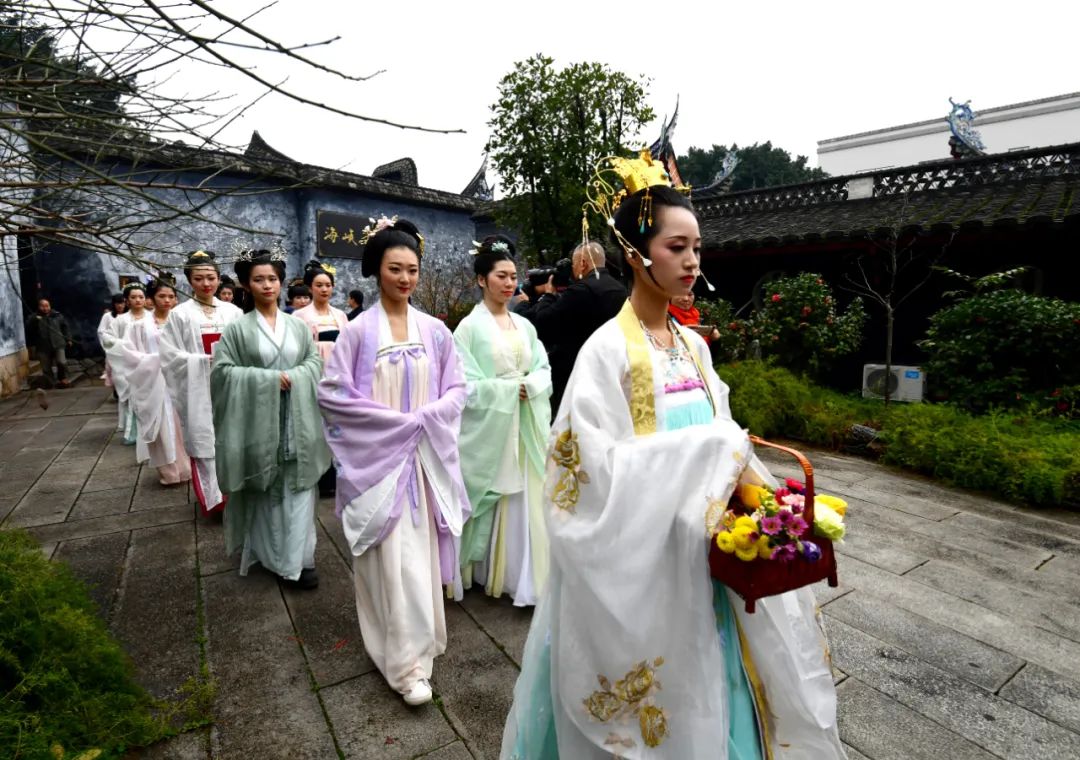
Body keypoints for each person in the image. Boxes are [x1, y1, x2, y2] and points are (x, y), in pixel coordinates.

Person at [500, 155, 845, 759]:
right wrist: (708, 452)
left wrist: (763, 496)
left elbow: (727, 438)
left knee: (720, 682)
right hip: (645, 567)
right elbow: (581, 480)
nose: (691, 261)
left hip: (705, 561)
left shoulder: (693, 347)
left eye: (697, 248)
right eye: (676, 247)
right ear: (637, 254)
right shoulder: (605, 353)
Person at [317, 216, 470, 707]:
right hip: (378, 467)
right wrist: (396, 426)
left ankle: (419, 648)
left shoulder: (436, 331)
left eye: (412, 270)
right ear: (376, 271)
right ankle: (403, 666)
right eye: (394, 269)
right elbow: (335, 396)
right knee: (389, 561)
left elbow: (457, 388)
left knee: (417, 559)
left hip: (423, 463)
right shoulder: (357, 333)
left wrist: (425, 418)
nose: (405, 279)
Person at [210, 248, 330, 589]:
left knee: (300, 490)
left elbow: (313, 362)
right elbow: (222, 373)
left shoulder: (297, 324)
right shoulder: (237, 329)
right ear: (247, 284)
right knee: (268, 493)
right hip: (260, 426)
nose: (267, 285)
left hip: (298, 422)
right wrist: (266, 380)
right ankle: (274, 557)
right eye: (259, 279)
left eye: (273, 279)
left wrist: (298, 375)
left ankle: (299, 559)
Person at [454, 235, 552, 607]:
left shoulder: (525, 326)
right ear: (482, 280)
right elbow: (463, 384)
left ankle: (524, 573)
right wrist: (510, 390)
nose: (509, 283)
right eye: (501, 276)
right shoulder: (468, 328)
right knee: (496, 495)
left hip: (525, 425)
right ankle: (484, 569)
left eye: (513, 276)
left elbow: (543, 367)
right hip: (495, 428)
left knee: (527, 496)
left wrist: (530, 386)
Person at [159, 251, 244, 517]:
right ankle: (215, 500)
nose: (206, 284)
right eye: (199, 278)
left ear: (219, 279)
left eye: (211, 277)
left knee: (235, 437)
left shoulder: (233, 312)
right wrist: (201, 360)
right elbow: (169, 354)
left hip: (231, 384)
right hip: (199, 387)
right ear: (189, 280)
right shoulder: (180, 314)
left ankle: (239, 494)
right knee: (205, 438)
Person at [516, 241, 626, 413]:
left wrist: (547, 296)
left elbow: (543, 326)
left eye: (574, 264)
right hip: (612, 371)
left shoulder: (582, 291)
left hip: (577, 374)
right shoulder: (620, 289)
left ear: (582, 263)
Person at [107, 276, 191, 486]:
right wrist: (158, 360)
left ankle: (187, 468)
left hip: (180, 381)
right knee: (162, 427)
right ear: (151, 299)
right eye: (162, 296)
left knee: (184, 426)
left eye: (171, 296)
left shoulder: (181, 322)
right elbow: (129, 354)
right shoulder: (139, 326)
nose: (167, 300)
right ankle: (169, 472)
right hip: (155, 383)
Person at [292, 259, 349, 497]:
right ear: (310, 288)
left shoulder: (341, 315)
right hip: (313, 375)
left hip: (337, 375)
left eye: (328, 284)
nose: (324, 289)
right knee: (315, 425)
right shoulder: (299, 316)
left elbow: (348, 346)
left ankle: (338, 475)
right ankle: (318, 474)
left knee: (338, 424)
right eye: (319, 285)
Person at [105, 283, 151, 443]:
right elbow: (108, 339)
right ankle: (133, 433)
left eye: (141, 297)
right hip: (129, 366)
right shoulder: (120, 320)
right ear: (127, 300)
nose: (138, 300)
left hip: (150, 364)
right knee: (133, 399)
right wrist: (125, 347)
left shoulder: (151, 317)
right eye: (133, 297)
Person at [26, 298, 73, 388]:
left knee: (61, 362)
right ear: (39, 307)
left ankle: (62, 378)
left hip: (58, 343)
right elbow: (29, 329)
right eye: (42, 306)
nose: (45, 308)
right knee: (46, 367)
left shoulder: (57, 315)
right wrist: (35, 320)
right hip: (42, 346)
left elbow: (65, 327)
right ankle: (50, 383)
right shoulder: (33, 317)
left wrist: (69, 339)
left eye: (47, 306)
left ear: (50, 306)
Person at [96, 293, 126, 387]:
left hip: (127, 347)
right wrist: (110, 344)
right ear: (114, 304)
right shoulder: (108, 316)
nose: (120, 305)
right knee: (114, 370)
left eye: (122, 303)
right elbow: (101, 331)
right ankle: (115, 388)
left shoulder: (129, 315)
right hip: (113, 347)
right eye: (118, 303)